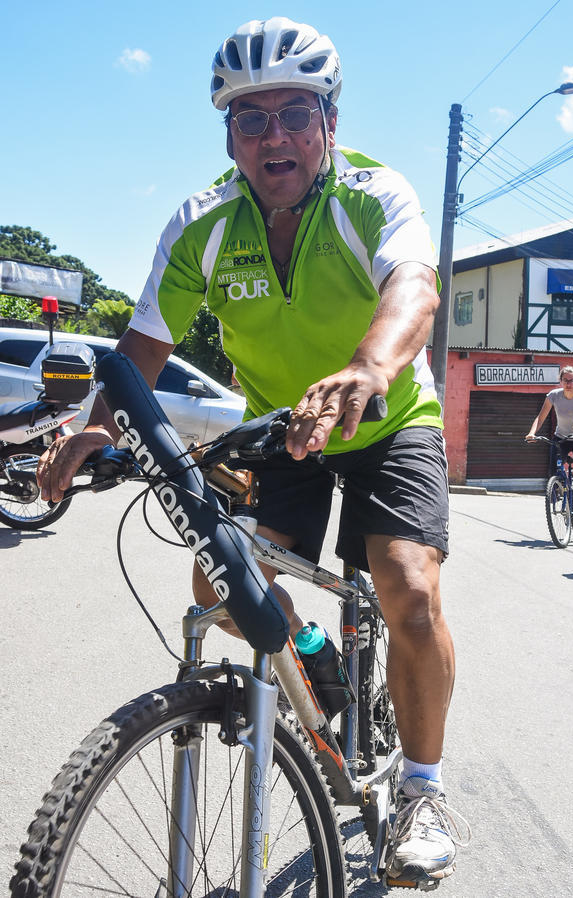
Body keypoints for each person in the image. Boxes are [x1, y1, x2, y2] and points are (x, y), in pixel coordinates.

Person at [37, 17, 469, 885]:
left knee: (407, 587)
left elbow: (414, 289)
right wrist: (98, 425)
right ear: (228, 135)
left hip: (388, 416)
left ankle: (421, 790)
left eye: (294, 114)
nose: (275, 137)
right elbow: (142, 347)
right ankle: (312, 653)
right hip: (284, 427)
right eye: (250, 118)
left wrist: (366, 368)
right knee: (219, 584)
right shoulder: (201, 223)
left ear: (329, 122)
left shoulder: (373, 195)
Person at [526, 365, 573, 532]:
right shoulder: (554, 395)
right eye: (565, 380)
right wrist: (531, 433)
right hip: (561, 439)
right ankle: (558, 490)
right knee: (553, 470)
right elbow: (540, 417)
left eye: (572, 380)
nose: (569, 383)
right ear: (560, 381)